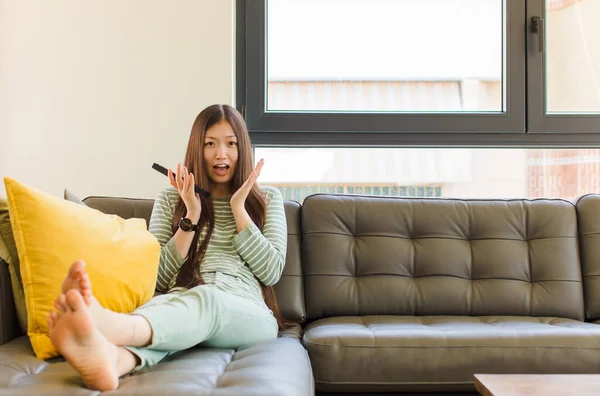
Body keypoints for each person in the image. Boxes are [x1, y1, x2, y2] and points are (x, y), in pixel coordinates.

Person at [46, 104, 289, 391]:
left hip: (248, 313)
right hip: (181, 300)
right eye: (210, 144)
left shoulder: (268, 199)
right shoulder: (169, 199)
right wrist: (191, 216)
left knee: (206, 300)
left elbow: (271, 272)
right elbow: (158, 278)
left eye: (230, 144)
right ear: (197, 149)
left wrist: (238, 207)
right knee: (170, 313)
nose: (221, 154)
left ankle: (113, 327)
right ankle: (114, 361)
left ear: (243, 149)